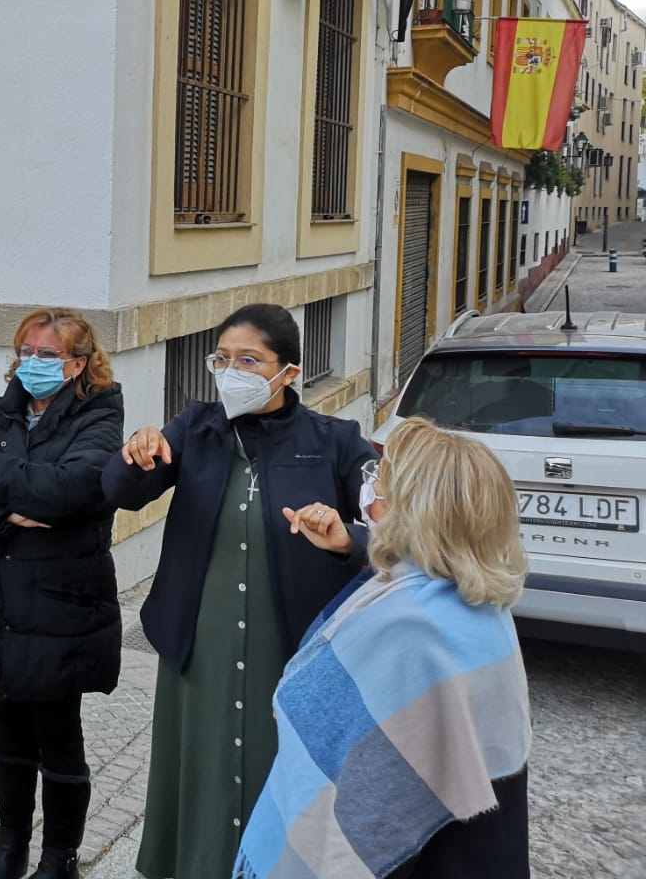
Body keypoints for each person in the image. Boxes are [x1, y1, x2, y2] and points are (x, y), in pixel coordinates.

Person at [101, 303, 377, 879]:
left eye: (248, 360)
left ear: (289, 372)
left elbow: (391, 531)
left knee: (279, 777)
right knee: (198, 772)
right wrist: (136, 453)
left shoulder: (336, 440)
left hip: (290, 652)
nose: (231, 372)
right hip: (199, 650)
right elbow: (126, 491)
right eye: (221, 359)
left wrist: (344, 538)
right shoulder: (194, 429)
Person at [235, 417, 531, 879]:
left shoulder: (410, 627)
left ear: (417, 507)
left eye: (381, 478)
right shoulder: (479, 603)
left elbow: (366, 781)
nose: (371, 487)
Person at [0, 309, 126, 879]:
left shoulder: (100, 415)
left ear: (78, 363)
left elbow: (67, 490)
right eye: (27, 351)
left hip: (58, 607)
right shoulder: (2, 409)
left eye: (48, 355)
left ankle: (58, 858)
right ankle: (11, 847)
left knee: (57, 738)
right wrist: (1, 520)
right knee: (9, 732)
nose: (34, 363)